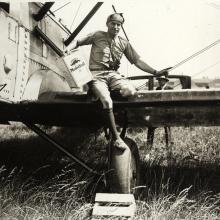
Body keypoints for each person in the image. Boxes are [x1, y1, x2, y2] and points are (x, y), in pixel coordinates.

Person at [65, 13, 170, 150]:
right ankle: (116, 138)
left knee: (130, 91)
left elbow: (137, 61)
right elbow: (78, 42)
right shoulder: (97, 35)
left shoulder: (123, 42)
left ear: (121, 26)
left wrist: (156, 72)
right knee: (107, 101)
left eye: (118, 25)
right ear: (107, 24)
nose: (115, 27)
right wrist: (67, 49)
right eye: (113, 23)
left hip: (114, 75)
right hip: (96, 75)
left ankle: (104, 100)